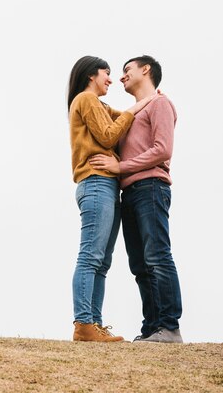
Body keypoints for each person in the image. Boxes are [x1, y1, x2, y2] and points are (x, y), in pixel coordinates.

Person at [90, 55, 183, 343]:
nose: (120, 77)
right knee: (140, 265)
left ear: (146, 70)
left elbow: (162, 149)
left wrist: (120, 167)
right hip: (129, 193)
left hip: (151, 187)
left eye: (126, 70)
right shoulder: (131, 114)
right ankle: (152, 329)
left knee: (157, 256)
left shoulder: (160, 104)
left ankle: (169, 327)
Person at [67, 56, 157, 342]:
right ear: (92, 75)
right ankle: (83, 323)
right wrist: (136, 110)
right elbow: (108, 136)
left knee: (102, 261)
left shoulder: (100, 105)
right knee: (91, 256)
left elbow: (123, 117)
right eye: (107, 73)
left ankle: (93, 323)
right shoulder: (86, 99)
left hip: (104, 186)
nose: (110, 79)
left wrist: (147, 101)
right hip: (95, 183)